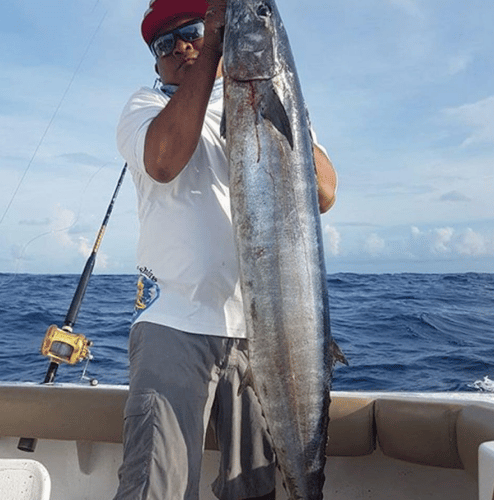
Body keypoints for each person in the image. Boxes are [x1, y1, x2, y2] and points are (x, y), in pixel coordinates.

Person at [113, 0, 337, 499]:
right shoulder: (143, 108)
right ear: (154, 61)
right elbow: (165, 160)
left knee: (253, 490)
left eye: (190, 30)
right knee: (155, 488)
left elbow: (324, 194)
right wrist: (214, 48)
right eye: (164, 43)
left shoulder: (276, 95)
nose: (182, 46)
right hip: (174, 323)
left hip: (264, 336)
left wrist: (281, 108)